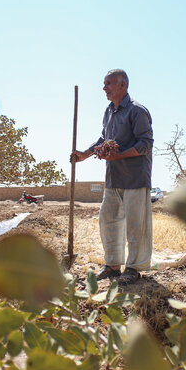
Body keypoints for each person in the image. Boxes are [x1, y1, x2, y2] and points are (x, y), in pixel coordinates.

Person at [71, 69, 153, 285]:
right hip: (114, 177)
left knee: (136, 225)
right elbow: (103, 138)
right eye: (104, 84)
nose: (104, 88)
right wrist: (85, 155)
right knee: (108, 220)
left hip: (135, 178)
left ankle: (133, 268)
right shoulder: (109, 111)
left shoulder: (137, 111)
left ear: (122, 85)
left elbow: (145, 144)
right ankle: (113, 265)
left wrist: (119, 155)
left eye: (108, 84)